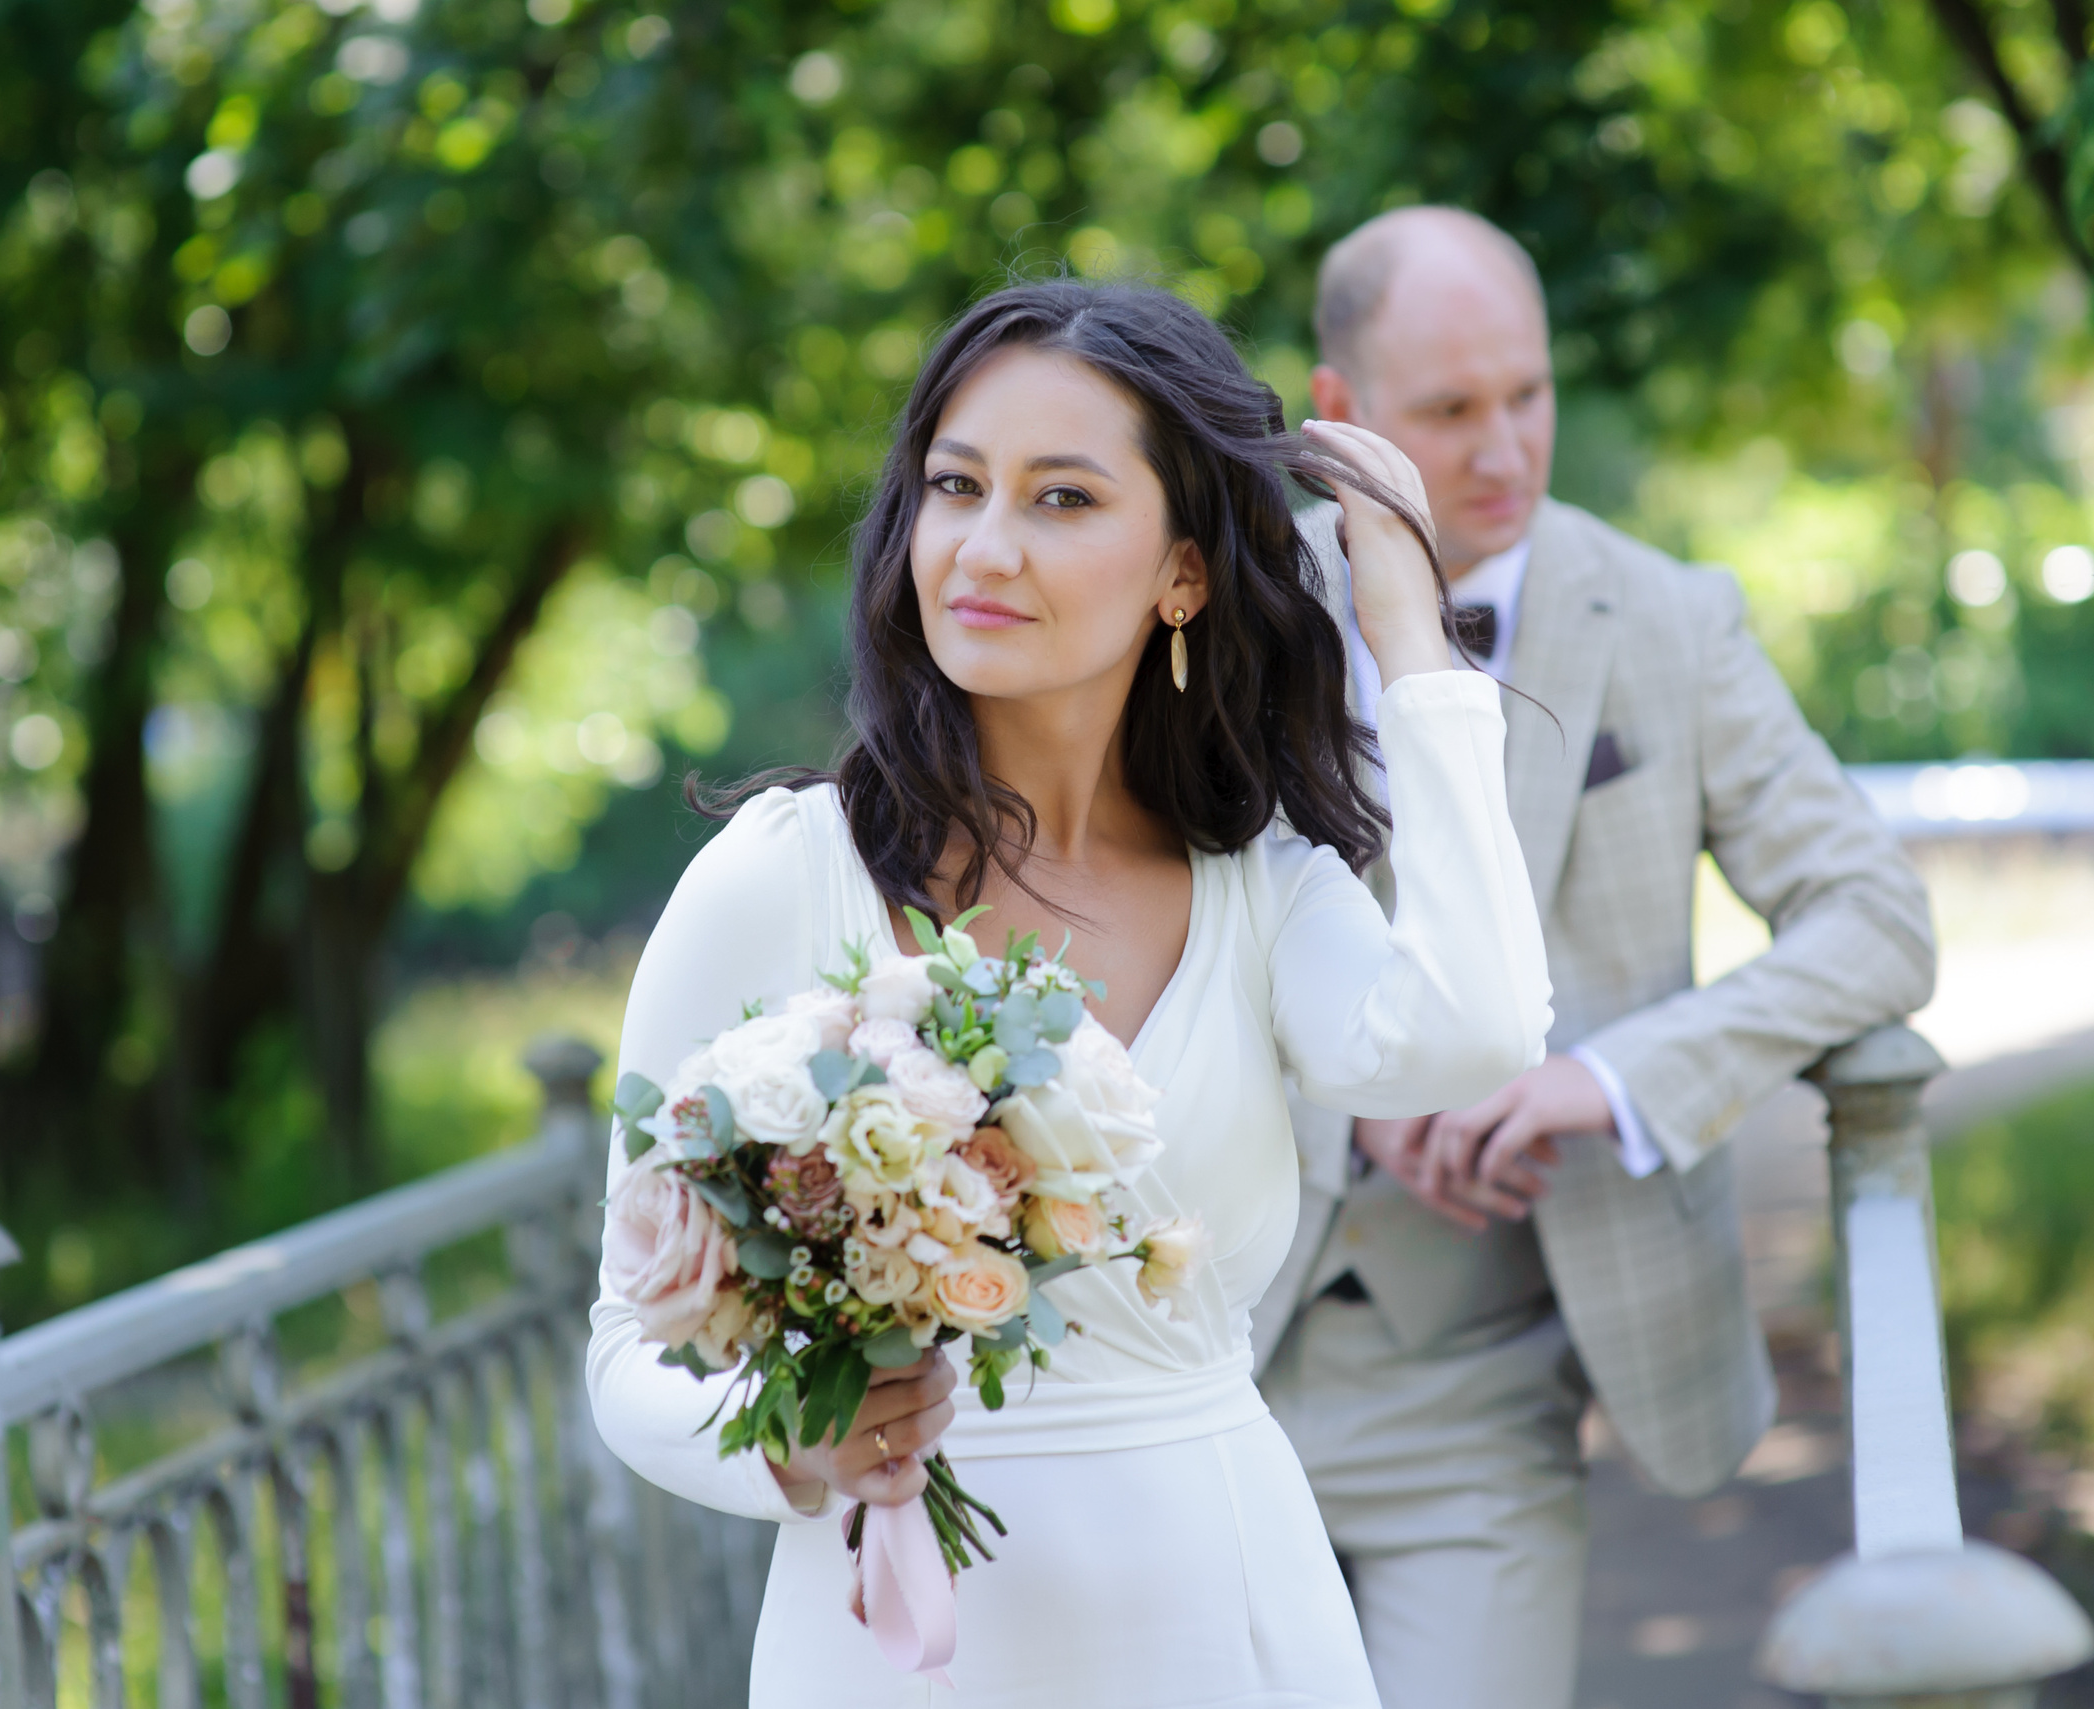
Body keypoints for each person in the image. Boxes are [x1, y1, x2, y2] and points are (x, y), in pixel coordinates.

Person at [587, 278, 1555, 1708]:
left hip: (1229, 1627)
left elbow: (1477, 1028)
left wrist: (1410, 626)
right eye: (956, 487)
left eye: (1061, 500)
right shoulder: (780, 878)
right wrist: (789, 1442)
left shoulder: (1264, 888)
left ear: (1184, 571)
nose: (982, 547)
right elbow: (624, 1344)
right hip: (903, 1644)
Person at [1252, 207, 1938, 1709]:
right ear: (1343, 415)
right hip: (1201, 1360)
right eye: (1448, 410)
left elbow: (1878, 918)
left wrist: (1609, 1079)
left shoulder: (1673, 625)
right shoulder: (1226, 622)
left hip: (1481, 1393)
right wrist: (1358, 1086)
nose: (1505, 445)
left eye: (1531, 391)